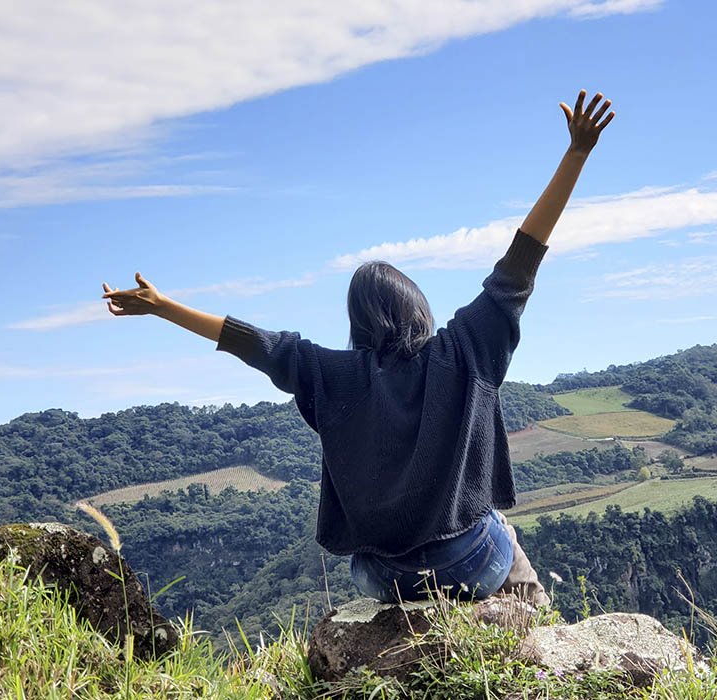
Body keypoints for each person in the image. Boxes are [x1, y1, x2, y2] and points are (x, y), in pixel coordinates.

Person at [103, 90, 615, 606]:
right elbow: (522, 258)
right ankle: (533, 635)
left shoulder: (332, 374)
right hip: (468, 564)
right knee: (503, 538)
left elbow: (249, 341)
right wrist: (575, 155)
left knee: (408, 555)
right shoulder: (464, 349)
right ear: (417, 308)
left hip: (382, 579)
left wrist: (164, 306)